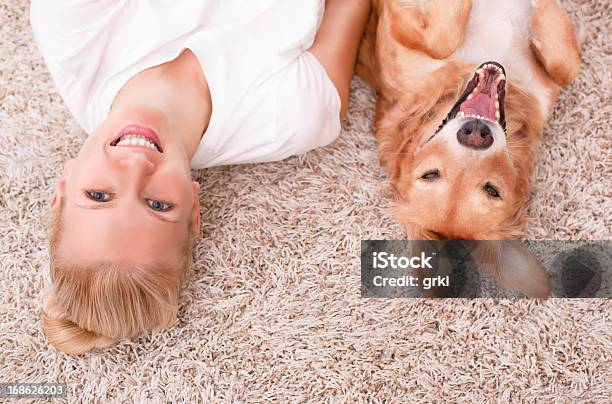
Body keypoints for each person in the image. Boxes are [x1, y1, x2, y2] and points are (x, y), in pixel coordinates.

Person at [30, 0, 371, 354]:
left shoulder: (70, 27)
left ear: (64, 186)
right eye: (157, 204)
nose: (135, 167)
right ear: (194, 207)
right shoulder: (291, 115)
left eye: (99, 196)